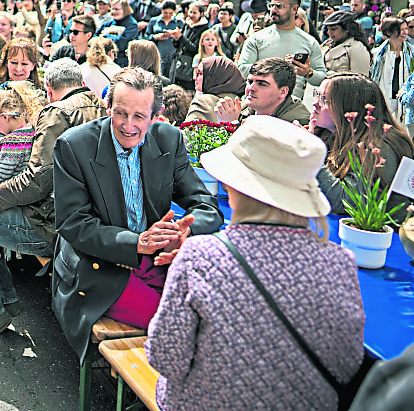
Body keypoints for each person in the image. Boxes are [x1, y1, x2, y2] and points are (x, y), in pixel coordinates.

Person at [146, 115, 364, 411]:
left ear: (234, 186)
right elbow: (348, 365)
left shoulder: (200, 256)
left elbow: (165, 357)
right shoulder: (340, 263)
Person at [52, 67, 223, 365]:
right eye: (121, 113)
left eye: (140, 117)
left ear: (156, 116)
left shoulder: (169, 139)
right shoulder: (73, 145)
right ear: (107, 108)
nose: (128, 125)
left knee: (213, 311)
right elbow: (73, 223)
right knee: (177, 323)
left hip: (155, 258)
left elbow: (205, 206)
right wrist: (135, 243)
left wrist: (187, 234)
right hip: (100, 265)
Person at [0, 59, 105, 350]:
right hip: (85, 225)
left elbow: (36, 183)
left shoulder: (57, 113)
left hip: (57, 229)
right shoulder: (100, 106)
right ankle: (4, 303)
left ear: (49, 88)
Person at [311, 73, 414, 221]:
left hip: (388, 238)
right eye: (316, 95)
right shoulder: (331, 134)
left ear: (349, 108)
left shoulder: (380, 148)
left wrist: (311, 153)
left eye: (324, 100)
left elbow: (343, 203)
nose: (315, 103)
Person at [237, 0, 326, 100]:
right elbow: (241, 69)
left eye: (279, 6)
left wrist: (308, 73)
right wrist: (275, 67)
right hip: (258, 106)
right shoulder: (256, 38)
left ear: (294, 9)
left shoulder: (310, 42)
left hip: (292, 107)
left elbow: (322, 77)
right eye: (271, 5)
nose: (273, 10)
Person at [215, 57, 311, 125]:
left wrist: (232, 125)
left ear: (283, 92)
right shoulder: (244, 106)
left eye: (262, 84)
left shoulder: (296, 121)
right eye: (250, 81)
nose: (251, 88)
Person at [371, 17, 414, 124]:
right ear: (389, 32)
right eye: (401, 29)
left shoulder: (412, 52)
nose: (405, 32)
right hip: (384, 98)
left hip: (405, 100)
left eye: (406, 28)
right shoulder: (377, 54)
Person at [185, 56, 246, 123]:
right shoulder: (243, 105)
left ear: (214, 77)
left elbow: (187, 132)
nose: (194, 77)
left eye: (199, 73)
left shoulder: (202, 102)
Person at [172, 2, 209, 90]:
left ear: (201, 14)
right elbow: (177, 45)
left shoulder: (204, 29)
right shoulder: (187, 25)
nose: (191, 15)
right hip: (179, 63)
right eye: (190, 12)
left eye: (194, 13)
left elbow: (195, 49)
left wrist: (181, 37)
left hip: (191, 66)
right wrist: (176, 38)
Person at [321, 10, 371, 76]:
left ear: (346, 29)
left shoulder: (357, 48)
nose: (329, 32)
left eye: (333, 29)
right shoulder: (327, 44)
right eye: (328, 29)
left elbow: (359, 81)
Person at [146, 0, 182, 77]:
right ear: (161, 10)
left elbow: (183, 39)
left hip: (173, 56)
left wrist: (176, 35)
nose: (168, 15)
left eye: (171, 13)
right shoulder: (154, 21)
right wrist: (155, 37)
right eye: (165, 13)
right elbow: (145, 37)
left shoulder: (179, 22)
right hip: (158, 55)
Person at [101, 0, 139, 66]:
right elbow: (95, 38)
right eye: (112, 9)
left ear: (125, 9)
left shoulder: (132, 24)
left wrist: (105, 36)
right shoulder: (109, 23)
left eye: (117, 9)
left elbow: (122, 43)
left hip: (123, 62)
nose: (114, 12)